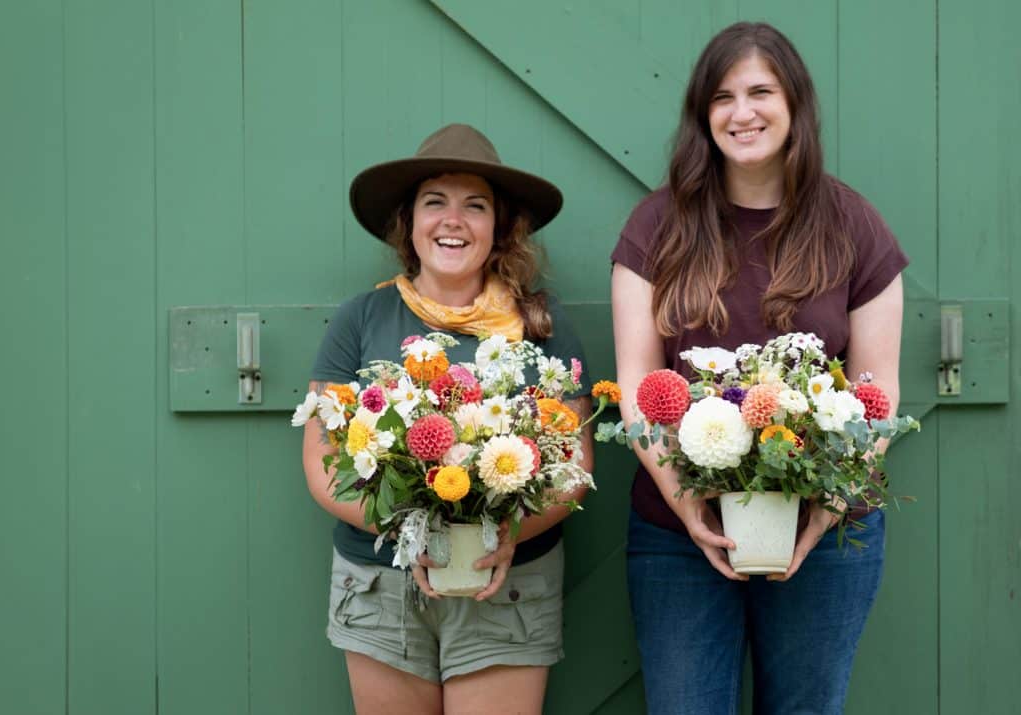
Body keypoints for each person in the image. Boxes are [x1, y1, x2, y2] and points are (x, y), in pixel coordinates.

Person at [611, 22, 908, 715]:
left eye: (759, 92)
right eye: (722, 97)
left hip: (827, 533)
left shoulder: (853, 225)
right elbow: (634, 384)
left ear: (795, 103)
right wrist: (688, 509)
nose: (741, 113)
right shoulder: (657, 226)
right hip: (677, 533)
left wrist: (826, 510)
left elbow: (878, 392)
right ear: (702, 116)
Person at [303, 123, 593, 714]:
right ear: (410, 223)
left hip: (507, 579)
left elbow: (575, 465)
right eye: (435, 202)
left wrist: (508, 535)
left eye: (475, 206)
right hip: (381, 580)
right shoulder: (362, 317)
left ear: (500, 227)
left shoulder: (542, 322)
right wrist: (411, 535)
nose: (453, 220)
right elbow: (322, 460)